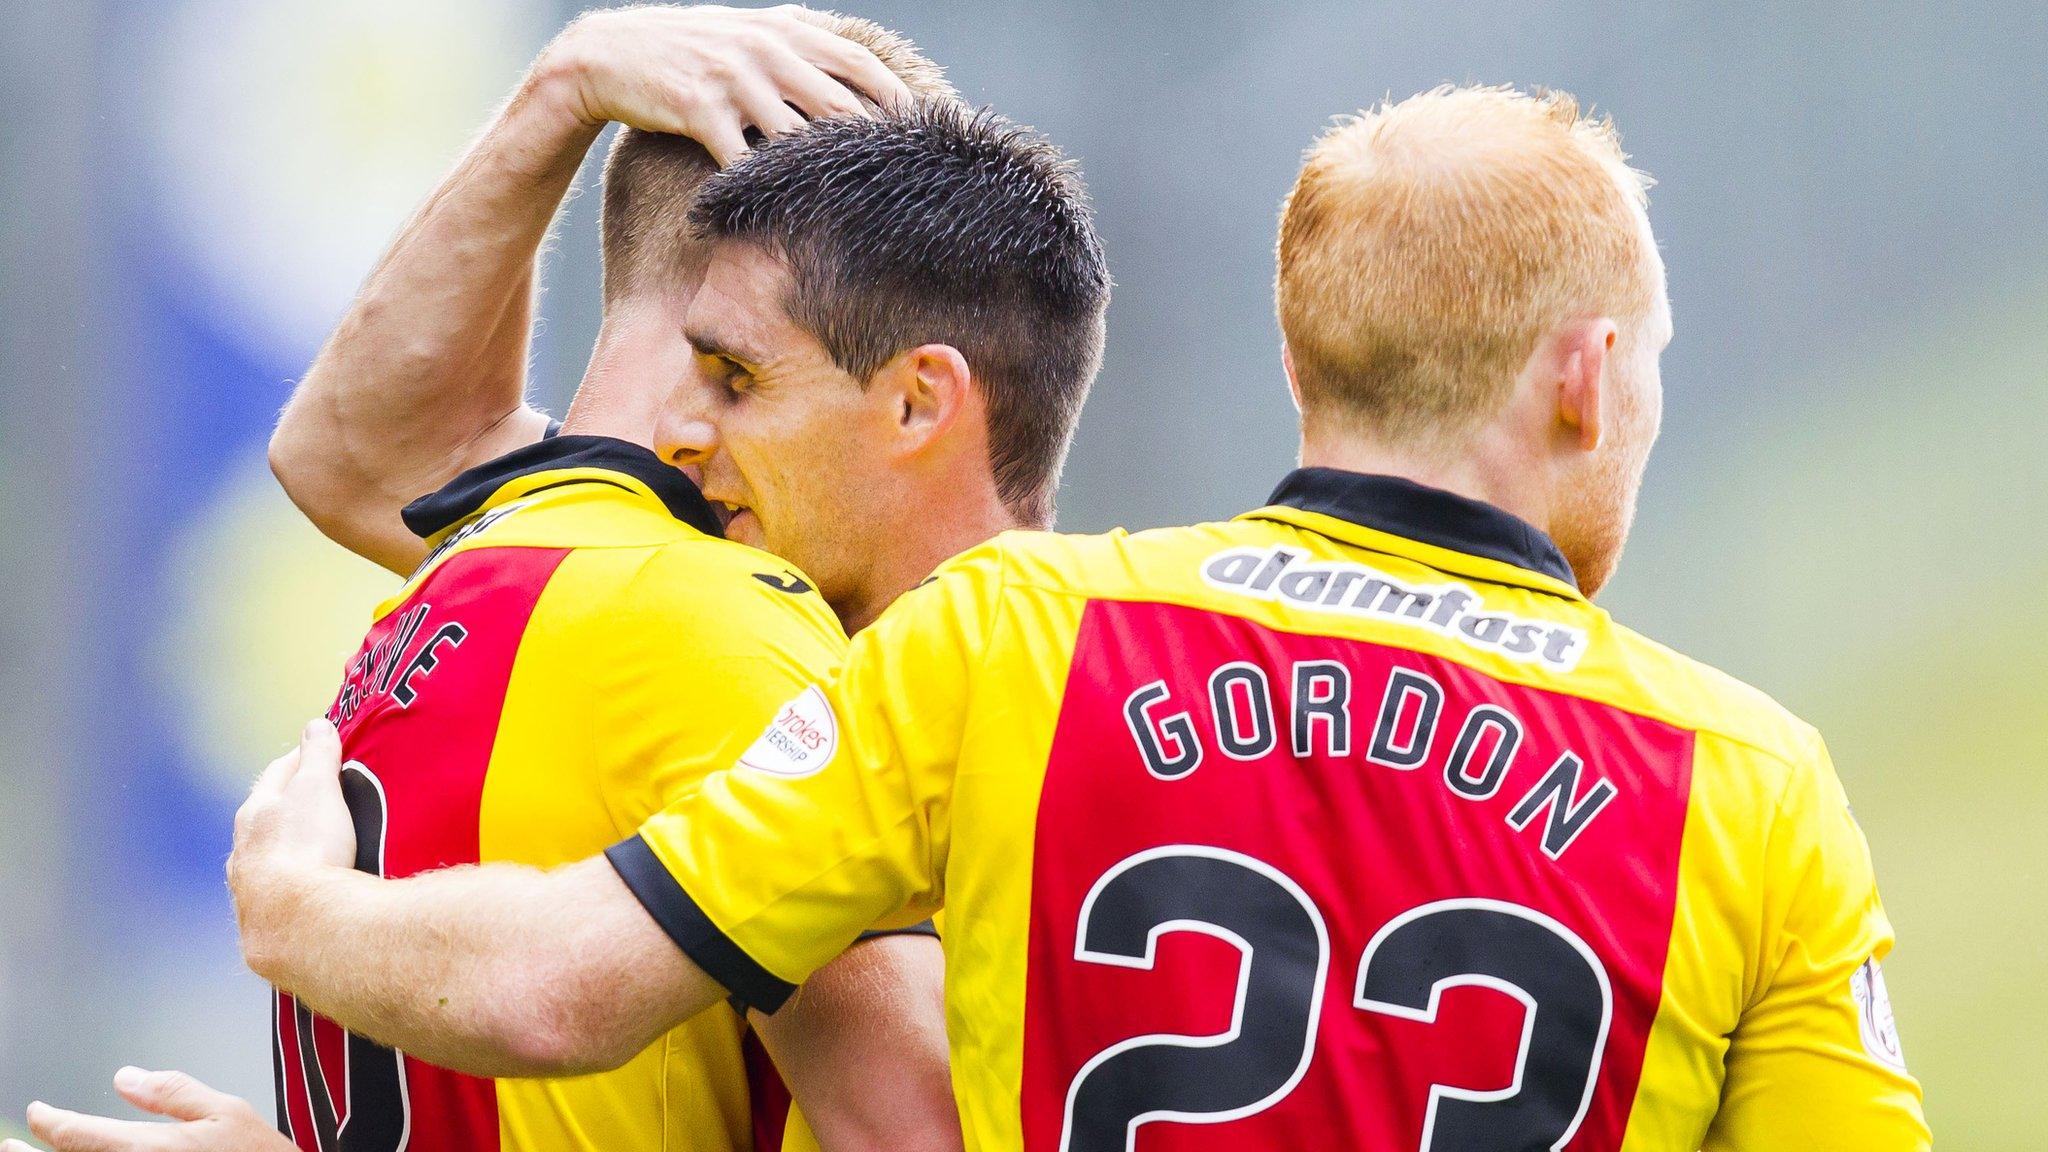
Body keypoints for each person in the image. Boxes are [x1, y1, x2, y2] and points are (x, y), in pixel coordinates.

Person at [203, 84, 1932, 1150]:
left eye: (734, 379)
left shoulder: (1013, 638)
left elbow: (557, 985)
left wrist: (289, 908)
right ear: (1586, 375)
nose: (688, 433)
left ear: (1298, 350)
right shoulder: (1752, 783)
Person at [10, 9, 1116, 1152]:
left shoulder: (486, 569)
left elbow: (347, 454)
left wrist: (562, 98)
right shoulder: (717, 623)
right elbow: (907, 1130)